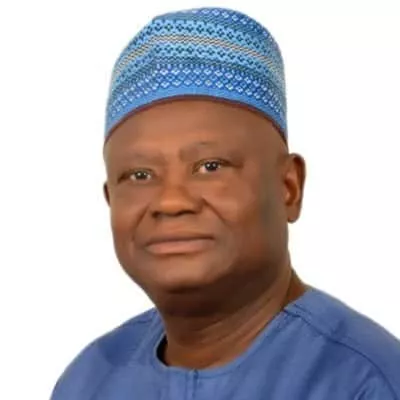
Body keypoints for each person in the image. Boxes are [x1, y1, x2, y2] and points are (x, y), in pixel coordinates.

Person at [50, 7, 400, 399]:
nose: (170, 201)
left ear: (289, 187)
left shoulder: (365, 383)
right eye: (139, 175)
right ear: (110, 200)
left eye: (210, 166)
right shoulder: (89, 380)